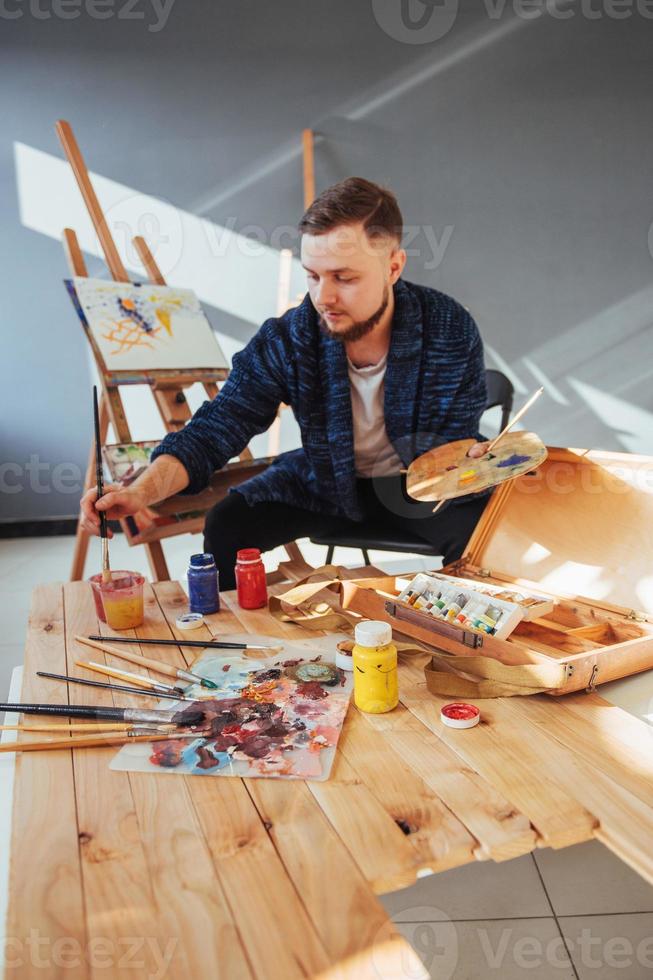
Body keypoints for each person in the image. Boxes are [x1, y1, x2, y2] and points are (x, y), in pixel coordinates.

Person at [80, 177, 491, 589]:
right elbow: (215, 429)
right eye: (312, 276)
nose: (322, 297)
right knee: (227, 522)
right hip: (325, 481)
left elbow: (453, 446)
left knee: (487, 534)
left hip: (421, 487)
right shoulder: (289, 337)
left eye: (343, 278)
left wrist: (483, 457)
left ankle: (454, 635)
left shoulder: (448, 327)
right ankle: (230, 645)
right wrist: (139, 492)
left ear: (393, 266)